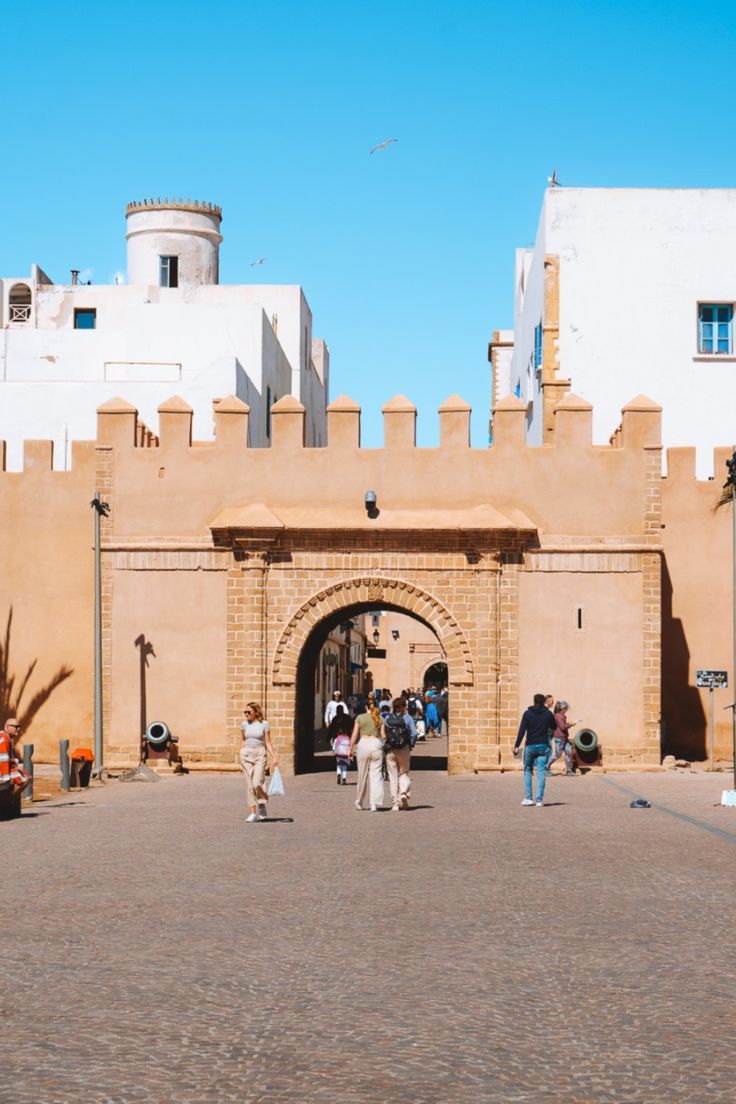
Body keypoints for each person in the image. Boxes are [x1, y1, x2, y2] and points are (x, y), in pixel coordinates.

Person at [513, 693, 556, 807]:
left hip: (530, 745)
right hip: (543, 745)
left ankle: (528, 798)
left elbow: (522, 731)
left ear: (534, 701)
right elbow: (554, 726)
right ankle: (539, 800)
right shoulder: (548, 714)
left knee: (527, 770)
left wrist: (516, 745)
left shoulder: (527, 714)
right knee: (541, 772)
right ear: (543, 701)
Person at [239, 701, 279, 823]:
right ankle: (252, 813)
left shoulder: (264, 724)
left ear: (256, 712)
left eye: (248, 712)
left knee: (257, 782)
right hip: (246, 755)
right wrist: (241, 752)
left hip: (260, 754)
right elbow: (243, 740)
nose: (246, 714)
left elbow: (267, 742)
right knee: (250, 785)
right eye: (245, 712)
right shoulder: (244, 725)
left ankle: (261, 804)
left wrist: (274, 757)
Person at [349, 701, 383, 811]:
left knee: (362, 775)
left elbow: (354, 734)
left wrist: (350, 749)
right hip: (375, 743)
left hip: (363, 743)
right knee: (376, 775)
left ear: (365, 706)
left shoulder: (360, 717)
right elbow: (383, 735)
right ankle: (374, 803)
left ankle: (359, 800)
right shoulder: (380, 718)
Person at [382, 697, 415, 811]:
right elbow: (414, 733)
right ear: (403, 707)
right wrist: (410, 745)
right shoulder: (408, 718)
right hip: (404, 748)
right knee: (404, 772)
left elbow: (384, 733)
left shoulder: (387, 718)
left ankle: (395, 803)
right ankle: (404, 794)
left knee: (392, 776)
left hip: (391, 750)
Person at [0, 718, 30, 797]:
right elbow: (3, 758)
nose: (18, 729)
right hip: (3, 771)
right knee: (25, 778)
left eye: (19, 726)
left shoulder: (5, 737)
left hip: (7, 768)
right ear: (6, 727)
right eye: (15, 727)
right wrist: (6, 778)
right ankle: (8, 801)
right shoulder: (4, 739)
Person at [547, 701, 578, 775]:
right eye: (566, 709)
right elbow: (563, 727)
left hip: (564, 738)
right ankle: (546, 767)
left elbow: (562, 726)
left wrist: (568, 724)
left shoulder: (560, 716)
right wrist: (571, 725)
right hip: (560, 738)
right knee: (557, 755)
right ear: (563, 709)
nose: (566, 711)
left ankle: (568, 770)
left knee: (569, 753)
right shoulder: (559, 716)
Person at [330, 707, 353, 785]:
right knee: (345, 765)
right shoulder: (347, 718)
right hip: (346, 746)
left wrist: (334, 751)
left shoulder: (335, 718)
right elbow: (352, 725)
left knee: (338, 763)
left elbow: (331, 728)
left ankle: (339, 774)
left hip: (338, 745)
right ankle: (344, 777)